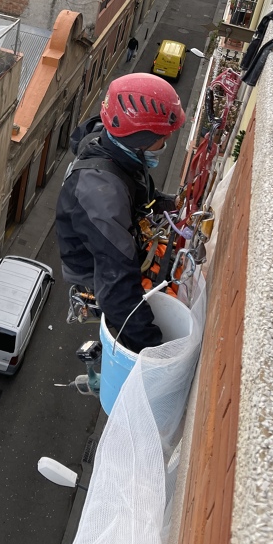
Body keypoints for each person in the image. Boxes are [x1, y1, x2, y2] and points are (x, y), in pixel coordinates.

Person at [55, 73, 186, 352]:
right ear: (140, 140)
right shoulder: (103, 197)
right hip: (97, 272)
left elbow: (136, 189)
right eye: (161, 139)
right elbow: (118, 293)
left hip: (112, 241)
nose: (164, 145)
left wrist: (168, 203)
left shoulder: (112, 143)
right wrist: (154, 353)